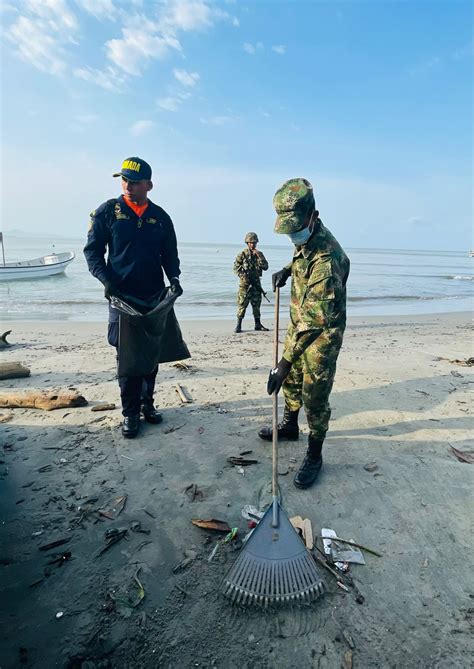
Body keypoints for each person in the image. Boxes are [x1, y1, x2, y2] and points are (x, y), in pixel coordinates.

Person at [259, 178, 350, 489]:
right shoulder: (308, 242)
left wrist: (282, 364)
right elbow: (303, 256)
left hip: (320, 336)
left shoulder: (328, 259)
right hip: (299, 326)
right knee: (293, 381)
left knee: (314, 395)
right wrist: (288, 269)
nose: (293, 235)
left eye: (296, 227)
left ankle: (315, 454)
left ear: (314, 216)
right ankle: (289, 426)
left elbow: (314, 320)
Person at [84, 156, 183, 438]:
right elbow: (92, 252)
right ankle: (130, 413)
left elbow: (170, 255)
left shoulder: (160, 218)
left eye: (135, 182)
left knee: (151, 354)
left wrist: (174, 278)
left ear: (148, 185)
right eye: (124, 180)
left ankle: (147, 405)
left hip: (153, 297)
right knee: (127, 357)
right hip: (121, 297)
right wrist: (106, 281)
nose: (127, 185)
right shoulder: (107, 212)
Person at [233, 232, 269, 333]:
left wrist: (260, 257)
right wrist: (243, 275)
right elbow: (235, 268)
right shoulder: (242, 254)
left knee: (256, 305)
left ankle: (257, 324)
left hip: (256, 284)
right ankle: (238, 325)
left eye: (254, 242)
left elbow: (265, 267)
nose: (253, 244)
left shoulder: (259, 254)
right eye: (251, 242)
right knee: (242, 304)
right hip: (245, 284)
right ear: (247, 243)